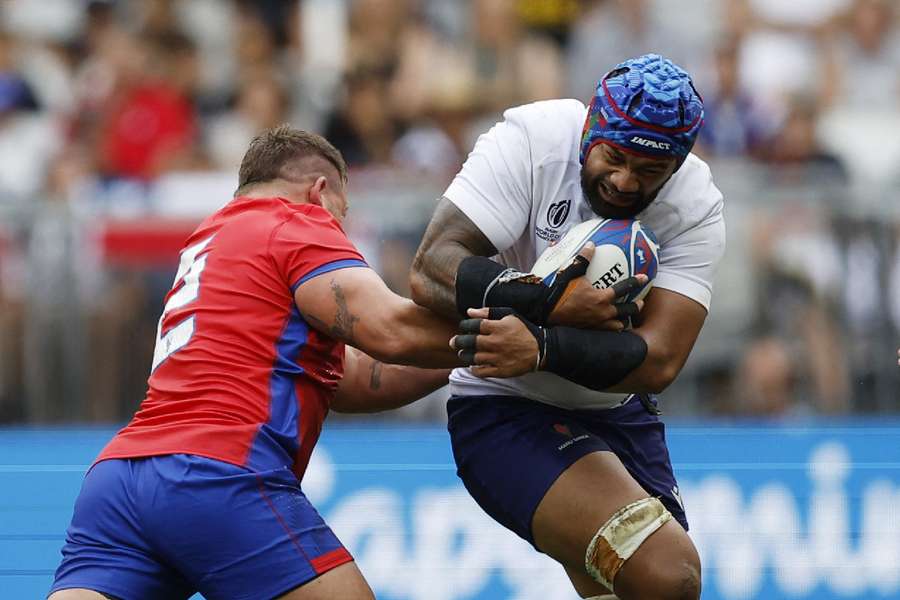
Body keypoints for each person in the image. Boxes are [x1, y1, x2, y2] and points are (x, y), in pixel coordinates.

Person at [48, 125, 533, 600]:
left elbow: (360, 379)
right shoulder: (295, 220)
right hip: (217, 472)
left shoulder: (210, 242)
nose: (339, 230)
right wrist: (527, 327)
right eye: (342, 214)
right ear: (320, 192)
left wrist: (483, 349)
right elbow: (390, 328)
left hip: (118, 480)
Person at [410, 54, 725, 600]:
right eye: (615, 157)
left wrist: (542, 346)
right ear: (589, 130)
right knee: (667, 575)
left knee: (637, 590)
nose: (626, 181)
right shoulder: (531, 141)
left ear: (677, 165)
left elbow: (661, 360)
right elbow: (431, 266)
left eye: (650, 172)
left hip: (617, 409)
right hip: (503, 407)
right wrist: (547, 300)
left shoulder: (695, 204)